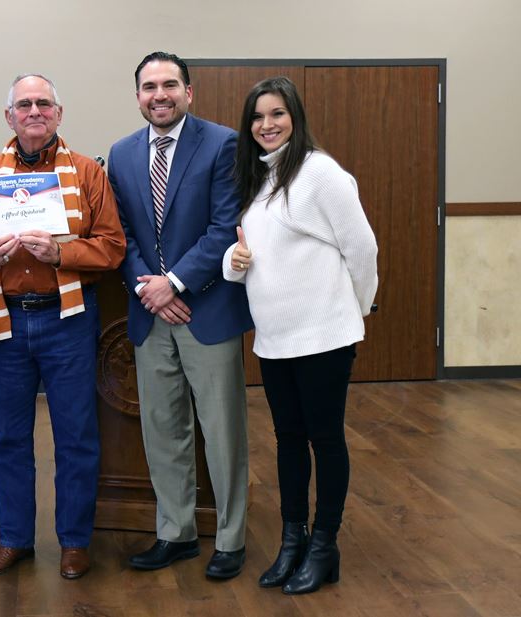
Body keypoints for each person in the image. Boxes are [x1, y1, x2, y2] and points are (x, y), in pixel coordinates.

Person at [0, 74, 126, 580]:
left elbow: (112, 246)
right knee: (9, 439)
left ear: (58, 114)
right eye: (23, 104)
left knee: (76, 436)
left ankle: (75, 541)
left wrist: (61, 252)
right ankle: (14, 539)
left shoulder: (86, 173)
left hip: (68, 318)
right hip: (5, 322)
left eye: (44, 103)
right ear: (8, 117)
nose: (34, 111)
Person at [223, 76, 378, 594]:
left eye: (277, 114)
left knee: (325, 438)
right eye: (258, 117)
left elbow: (363, 250)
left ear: (296, 117)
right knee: (287, 440)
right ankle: (292, 540)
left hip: (324, 336)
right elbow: (249, 251)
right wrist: (233, 261)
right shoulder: (258, 178)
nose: (267, 125)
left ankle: (323, 545)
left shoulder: (320, 173)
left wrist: (351, 314)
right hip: (275, 337)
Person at [108, 51, 253, 580]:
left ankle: (232, 538)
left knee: (222, 431)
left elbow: (224, 226)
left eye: (170, 84)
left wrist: (174, 282)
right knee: (162, 430)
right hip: (150, 314)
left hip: (206, 310)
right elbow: (118, 234)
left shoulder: (221, 144)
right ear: (139, 96)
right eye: (149, 87)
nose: (160, 95)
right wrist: (150, 288)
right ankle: (176, 532)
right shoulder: (121, 154)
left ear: (188, 92)